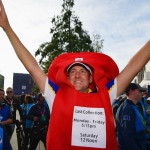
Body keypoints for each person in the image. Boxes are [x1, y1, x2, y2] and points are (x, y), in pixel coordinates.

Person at [1, 1, 150, 149]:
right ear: (67, 78)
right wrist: (7, 27)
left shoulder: (106, 94)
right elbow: (32, 66)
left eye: (83, 71)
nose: (77, 75)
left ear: (91, 78)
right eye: (72, 71)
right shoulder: (55, 95)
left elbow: (133, 66)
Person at [116, 83, 150, 150]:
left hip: (140, 144)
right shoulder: (127, 109)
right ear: (131, 91)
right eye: (140, 91)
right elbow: (127, 135)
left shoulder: (134, 106)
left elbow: (136, 126)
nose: (142, 94)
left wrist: (146, 131)